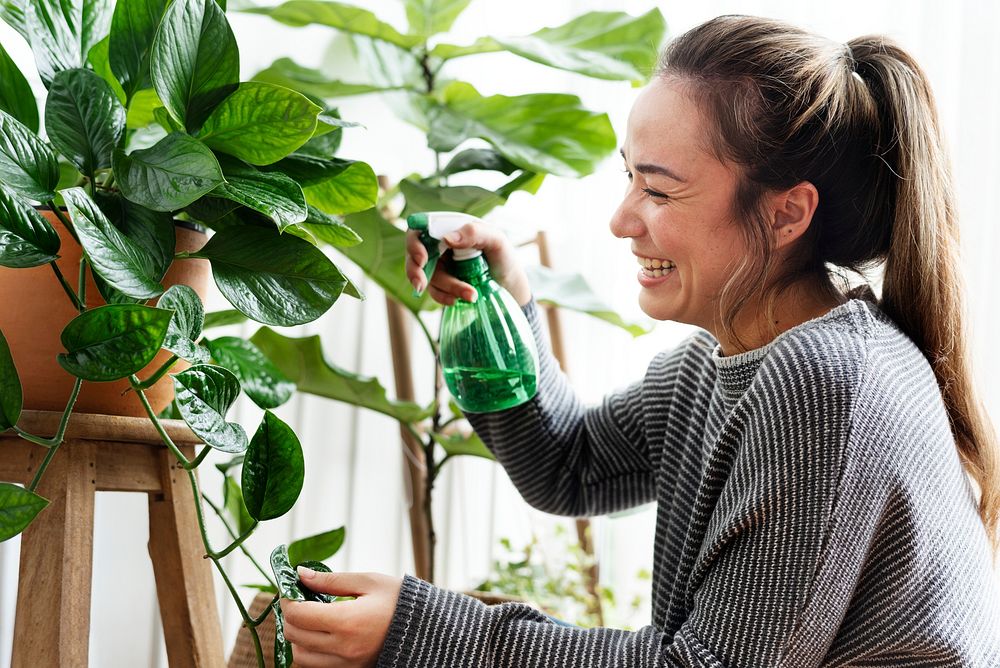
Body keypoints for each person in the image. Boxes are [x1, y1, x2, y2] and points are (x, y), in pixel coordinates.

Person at [279, 15, 1000, 667]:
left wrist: (421, 629)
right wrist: (503, 304)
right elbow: (567, 466)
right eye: (630, 177)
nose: (623, 219)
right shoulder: (719, 363)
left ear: (786, 215)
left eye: (658, 190)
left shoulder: (831, 383)